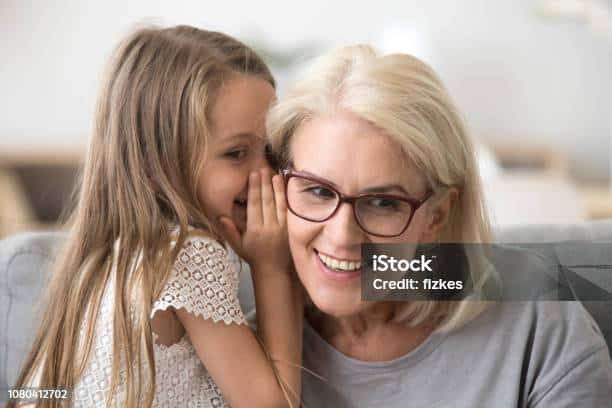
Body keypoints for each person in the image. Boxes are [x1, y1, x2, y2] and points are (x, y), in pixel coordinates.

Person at [266, 45, 612, 407]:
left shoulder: (538, 315)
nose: (342, 235)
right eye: (318, 191)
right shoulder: (240, 349)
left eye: (384, 203)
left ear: (438, 214)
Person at [10, 26, 302, 407]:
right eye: (236, 153)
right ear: (156, 161)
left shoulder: (105, 259)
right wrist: (273, 268)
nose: (266, 174)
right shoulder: (188, 253)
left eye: (270, 151)